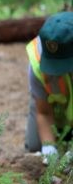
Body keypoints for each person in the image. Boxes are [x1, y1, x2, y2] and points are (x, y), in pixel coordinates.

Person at [25, 11, 73, 165]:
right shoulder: (37, 60)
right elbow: (43, 112)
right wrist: (49, 147)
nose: (57, 73)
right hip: (52, 103)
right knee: (34, 146)